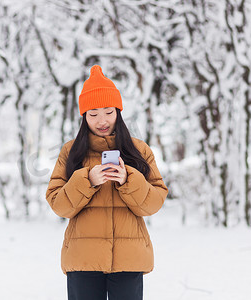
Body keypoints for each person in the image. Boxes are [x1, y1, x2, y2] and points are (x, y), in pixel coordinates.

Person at [45, 65, 169, 300]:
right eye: (93, 114)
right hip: (83, 259)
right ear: (84, 116)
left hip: (129, 259)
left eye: (108, 112)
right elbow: (58, 204)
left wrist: (128, 180)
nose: (102, 120)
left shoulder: (139, 150)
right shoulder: (71, 152)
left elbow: (153, 204)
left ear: (118, 112)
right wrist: (86, 180)